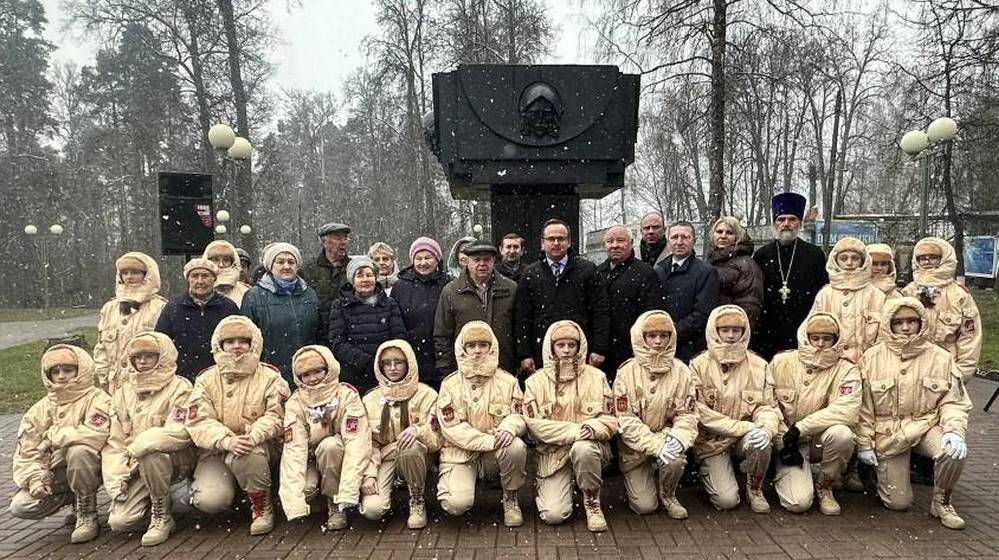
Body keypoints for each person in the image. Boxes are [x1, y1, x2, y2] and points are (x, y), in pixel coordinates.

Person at [857, 298, 971, 530]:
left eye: (912, 321)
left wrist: (954, 430)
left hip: (926, 425)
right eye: (899, 322)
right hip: (889, 434)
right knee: (898, 503)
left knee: (952, 451)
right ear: (889, 324)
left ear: (922, 322)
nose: (906, 327)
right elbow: (864, 408)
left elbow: (954, 402)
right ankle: (876, 473)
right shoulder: (871, 357)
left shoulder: (941, 357)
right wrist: (864, 444)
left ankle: (942, 501)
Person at [185, 316, 291, 536]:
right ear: (219, 345)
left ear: (254, 344)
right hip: (216, 450)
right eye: (230, 341)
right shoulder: (205, 380)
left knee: (246, 454)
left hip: (257, 447)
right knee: (211, 501)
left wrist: (253, 436)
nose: (236, 346)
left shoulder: (270, 377)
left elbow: (276, 416)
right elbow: (198, 421)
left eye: (243, 341)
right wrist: (226, 440)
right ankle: (236, 495)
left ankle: (261, 506)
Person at [9, 345, 112, 543]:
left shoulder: (98, 398)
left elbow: (96, 434)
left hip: (95, 466)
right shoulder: (38, 410)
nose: (61, 376)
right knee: (21, 506)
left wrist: (53, 437)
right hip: (55, 471)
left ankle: (87, 512)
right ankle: (71, 497)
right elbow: (27, 452)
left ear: (81, 370)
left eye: (68, 370)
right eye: (55, 372)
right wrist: (36, 479)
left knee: (79, 450)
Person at [102, 332, 195, 546]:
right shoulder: (122, 394)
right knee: (120, 522)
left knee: (151, 454)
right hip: (134, 465)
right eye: (137, 357)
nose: (142, 362)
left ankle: (161, 514)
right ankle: (153, 497)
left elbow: (180, 431)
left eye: (149, 356)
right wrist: (117, 479)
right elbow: (114, 443)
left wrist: (141, 445)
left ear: (162, 357)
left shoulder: (181, 388)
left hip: (175, 458)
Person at [523, 320, 618, 532]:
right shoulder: (535, 382)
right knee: (554, 515)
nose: (566, 350)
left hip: (590, 447)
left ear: (579, 347)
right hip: (553, 454)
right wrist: (577, 431)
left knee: (583, 448)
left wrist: (593, 428)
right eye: (561, 345)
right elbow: (534, 425)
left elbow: (611, 419)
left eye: (572, 345)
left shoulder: (597, 377)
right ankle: (551, 485)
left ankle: (592, 501)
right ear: (551, 348)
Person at [436, 322, 527, 527]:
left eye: (483, 345)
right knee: (455, 504)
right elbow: (451, 428)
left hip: (494, 455)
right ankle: (466, 483)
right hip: (461, 455)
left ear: (491, 347)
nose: (477, 350)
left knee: (515, 447)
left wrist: (509, 428)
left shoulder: (508, 382)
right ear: (463, 349)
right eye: (471, 345)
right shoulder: (449, 385)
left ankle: (511, 497)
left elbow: (519, 415)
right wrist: (490, 441)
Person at [690, 305, 779, 513]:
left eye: (736, 330)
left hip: (743, 438)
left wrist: (765, 428)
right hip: (712, 442)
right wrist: (743, 427)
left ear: (744, 332)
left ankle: (755, 488)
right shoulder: (698, 365)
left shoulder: (759, 365)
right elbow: (699, 412)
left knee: (761, 442)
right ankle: (712, 475)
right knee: (726, 502)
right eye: (725, 330)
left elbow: (768, 406)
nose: (730, 336)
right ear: (715, 331)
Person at [770, 313, 860, 516]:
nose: (820, 344)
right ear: (806, 337)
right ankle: (785, 471)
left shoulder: (846, 369)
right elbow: (769, 404)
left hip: (818, 439)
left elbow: (846, 409)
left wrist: (801, 428)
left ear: (836, 340)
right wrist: (783, 441)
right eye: (815, 338)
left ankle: (825, 486)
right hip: (788, 442)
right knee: (798, 503)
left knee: (842, 434)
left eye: (827, 339)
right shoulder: (781, 362)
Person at [613, 311, 698, 519]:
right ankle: (640, 478)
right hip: (636, 448)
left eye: (664, 336)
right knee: (645, 506)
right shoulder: (626, 373)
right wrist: (655, 445)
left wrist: (678, 437)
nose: (658, 342)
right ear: (641, 337)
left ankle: (669, 494)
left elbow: (687, 414)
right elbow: (625, 419)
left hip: (666, 437)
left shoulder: (682, 371)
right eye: (652, 336)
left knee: (675, 458)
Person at [280, 345, 371, 530]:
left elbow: (357, 442)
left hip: (338, 455)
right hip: (309, 458)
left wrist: (348, 492)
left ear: (328, 369)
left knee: (330, 446)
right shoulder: (295, 402)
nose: (313, 378)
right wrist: (293, 502)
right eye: (306, 375)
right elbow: (294, 450)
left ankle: (335, 502)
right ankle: (316, 497)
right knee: (304, 491)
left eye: (317, 372)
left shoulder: (347, 395)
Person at [361, 340, 442, 529]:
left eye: (398, 362)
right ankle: (385, 490)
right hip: (383, 459)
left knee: (410, 446)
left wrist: (418, 431)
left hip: (418, 457)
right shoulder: (370, 400)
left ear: (409, 364)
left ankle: (417, 498)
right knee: (373, 510)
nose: (392, 368)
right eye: (386, 363)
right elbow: (367, 444)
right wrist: (369, 474)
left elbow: (437, 439)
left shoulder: (427, 395)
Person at [515, 219, 610, 376]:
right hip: (542, 353)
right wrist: (524, 354)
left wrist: (599, 348)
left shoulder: (587, 270)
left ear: (569, 242)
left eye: (561, 238)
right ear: (542, 243)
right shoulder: (530, 274)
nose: (556, 243)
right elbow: (522, 316)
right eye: (551, 239)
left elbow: (601, 311)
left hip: (579, 351)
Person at [752, 193, 829, 360]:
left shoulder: (815, 255)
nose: (786, 224)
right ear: (775, 224)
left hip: (804, 331)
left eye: (792, 219)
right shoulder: (761, 255)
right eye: (781, 219)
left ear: (799, 223)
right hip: (767, 334)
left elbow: (823, 294)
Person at [902, 237, 982, 380]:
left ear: (945, 259)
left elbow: (970, 339)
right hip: (909, 370)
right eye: (922, 258)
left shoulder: (959, 295)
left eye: (933, 258)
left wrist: (960, 375)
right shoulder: (908, 293)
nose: (927, 262)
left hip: (946, 370)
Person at [434, 242, 518, 378]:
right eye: (477, 260)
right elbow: (442, 334)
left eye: (487, 259)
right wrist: (447, 370)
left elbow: (518, 329)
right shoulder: (451, 291)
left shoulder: (510, 289)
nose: (482, 264)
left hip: (503, 367)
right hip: (465, 369)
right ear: (467, 262)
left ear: (494, 261)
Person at [241, 242, 321, 384]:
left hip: (307, 373)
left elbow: (319, 333)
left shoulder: (310, 294)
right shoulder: (254, 296)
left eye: (291, 262)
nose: (286, 266)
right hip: (269, 373)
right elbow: (246, 337)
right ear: (270, 266)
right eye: (280, 262)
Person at [328, 256, 408, 392]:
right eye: (360, 276)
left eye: (369, 275)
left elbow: (399, 336)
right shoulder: (340, 305)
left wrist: (384, 361)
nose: (365, 279)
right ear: (352, 281)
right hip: (352, 375)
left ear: (375, 278)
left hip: (386, 373)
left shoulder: (389, 303)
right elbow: (337, 341)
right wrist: (364, 361)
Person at [94, 252, 168, 394]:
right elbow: (101, 347)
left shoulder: (160, 307)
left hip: (150, 384)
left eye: (135, 272)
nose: (129, 277)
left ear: (147, 275)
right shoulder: (109, 308)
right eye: (125, 273)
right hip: (116, 386)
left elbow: (167, 351)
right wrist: (103, 378)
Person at [597, 225, 665, 378]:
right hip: (602, 352)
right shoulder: (598, 273)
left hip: (633, 351)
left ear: (631, 243)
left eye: (620, 241)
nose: (615, 245)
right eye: (610, 241)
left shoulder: (645, 274)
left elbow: (651, 316)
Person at [155, 258, 238, 379]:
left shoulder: (228, 307)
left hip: (220, 377)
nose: (200, 281)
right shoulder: (173, 308)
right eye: (194, 276)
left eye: (205, 276)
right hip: (182, 378)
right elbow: (161, 344)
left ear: (214, 278)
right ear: (188, 279)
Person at [810, 237, 886, 364]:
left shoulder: (876, 296)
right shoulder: (825, 295)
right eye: (844, 258)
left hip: (868, 364)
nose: (849, 263)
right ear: (835, 261)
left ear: (863, 262)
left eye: (855, 258)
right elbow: (812, 330)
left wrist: (871, 359)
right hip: (832, 364)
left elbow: (884, 334)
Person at [391, 237, 452, 388]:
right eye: (418, 258)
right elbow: (395, 320)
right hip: (412, 355)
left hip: (442, 356)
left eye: (428, 257)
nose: (423, 262)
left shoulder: (448, 284)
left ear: (437, 259)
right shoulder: (400, 286)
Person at [656, 221, 720, 362]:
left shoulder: (706, 272)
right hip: (660, 346)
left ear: (694, 241)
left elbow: (703, 313)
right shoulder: (659, 270)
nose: (679, 242)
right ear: (668, 241)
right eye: (674, 237)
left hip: (691, 348)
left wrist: (672, 332)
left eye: (685, 237)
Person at [707, 216, 764, 333]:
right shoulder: (710, 262)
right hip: (712, 329)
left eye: (729, 233)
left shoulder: (747, 265)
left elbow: (750, 305)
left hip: (731, 332)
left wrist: (733, 331)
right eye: (719, 232)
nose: (723, 236)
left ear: (737, 236)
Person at [300, 222, 353, 335]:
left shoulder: (354, 268)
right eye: (338, 238)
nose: (343, 242)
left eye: (345, 238)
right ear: (323, 242)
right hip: (316, 332)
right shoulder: (307, 269)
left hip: (348, 331)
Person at [203, 240, 252, 307]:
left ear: (233, 263)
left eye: (226, 260)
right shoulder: (199, 289)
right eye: (216, 260)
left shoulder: (245, 292)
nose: (221, 265)